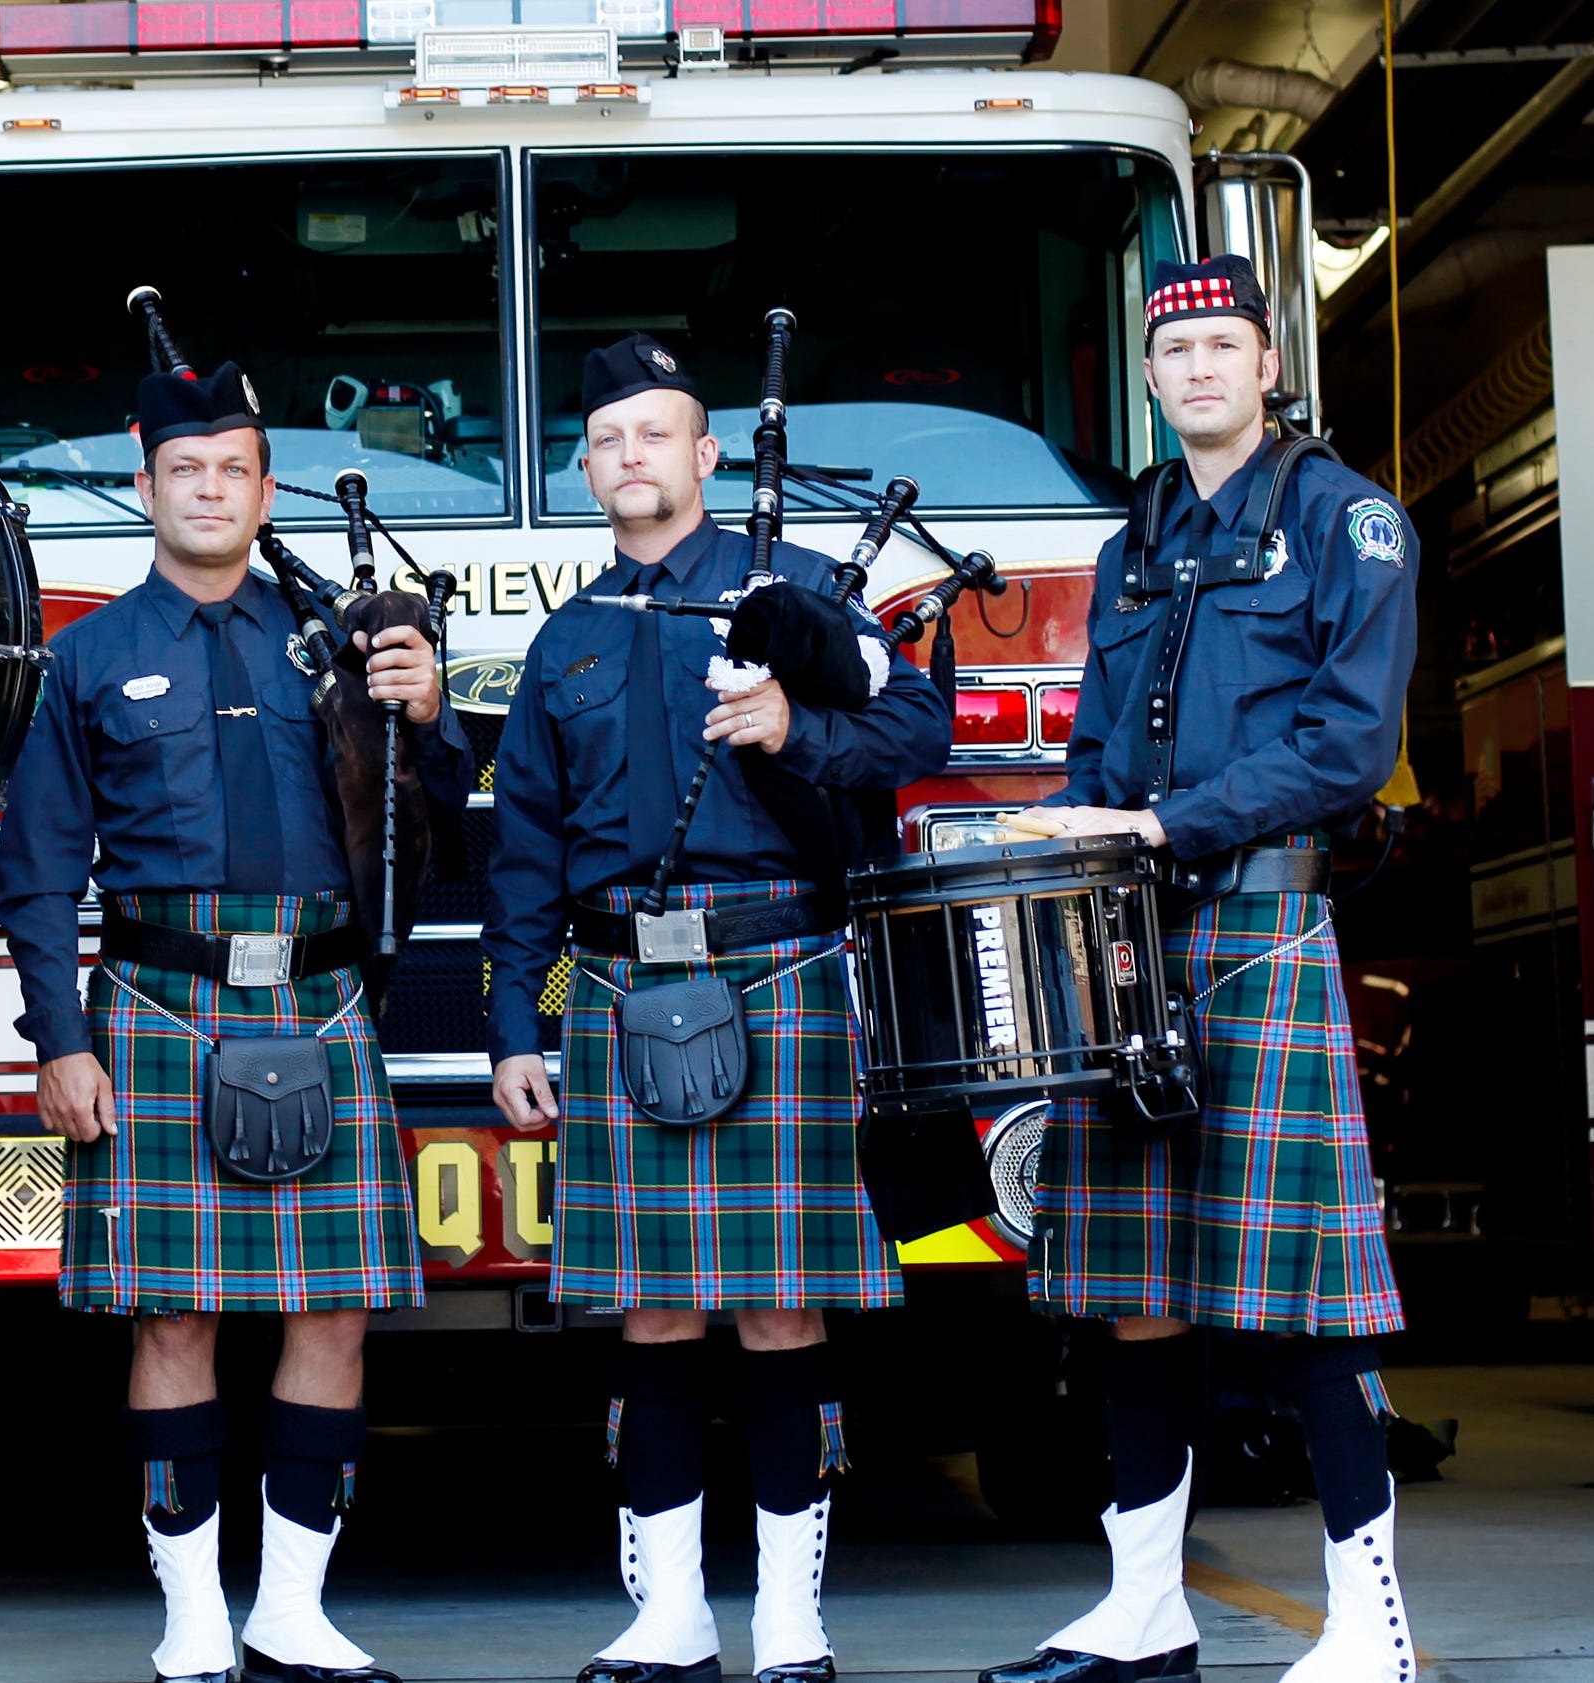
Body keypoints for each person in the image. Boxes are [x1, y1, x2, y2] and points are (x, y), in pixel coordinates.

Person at [0, 360, 472, 1683]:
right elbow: (37, 871)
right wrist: (59, 1039)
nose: (211, 491)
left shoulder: (328, 639)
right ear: (146, 488)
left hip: (318, 997)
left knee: (334, 1312)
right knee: (174, 1316)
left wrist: (428, 714)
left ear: (267, 492)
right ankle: (194, 1613)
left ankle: (293, 1609)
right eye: (185, 471)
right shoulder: (86, 655)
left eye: (235, 471)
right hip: (158, 998)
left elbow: (434, 799)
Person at [977, 254, 1420, 1683]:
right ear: (1153, 378)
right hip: (1130, 939)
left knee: (1304, 1293)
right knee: (1132, 1288)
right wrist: (1068, 823)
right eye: (1177, 354)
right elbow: (1100, 750)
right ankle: (1145, 1608)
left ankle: (1372, 1626)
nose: (1201, 372)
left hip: (1262, 924)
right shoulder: (1135, 543)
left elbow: (1348, 749)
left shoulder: (1349, 522)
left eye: (1226, 346)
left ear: (1268, 363)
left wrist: (1162, 822)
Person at [484, 334, 951, 1683]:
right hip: (621, 978)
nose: (634, 459)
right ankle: (669, 1613)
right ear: (587, 468)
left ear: (705, 454)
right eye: (610, 441)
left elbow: (921, 731)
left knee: (782, 1308)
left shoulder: (799, 596)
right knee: (649, 1313)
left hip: (779, 966)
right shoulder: (567, 640)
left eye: (658, 435)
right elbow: (523, 848)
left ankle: (792, 1619)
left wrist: (791, 730)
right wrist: (516, 1021)